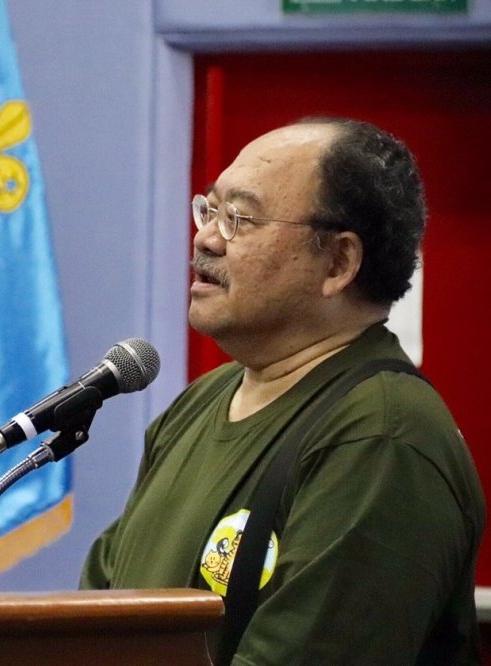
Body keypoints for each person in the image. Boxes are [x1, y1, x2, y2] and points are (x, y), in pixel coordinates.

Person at [80, 118, 485, 664]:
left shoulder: (382, 436)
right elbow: (95, 619)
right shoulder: (200, 403)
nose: (205, 238)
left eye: (240, 218)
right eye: (210, 210)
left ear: (338, 263)